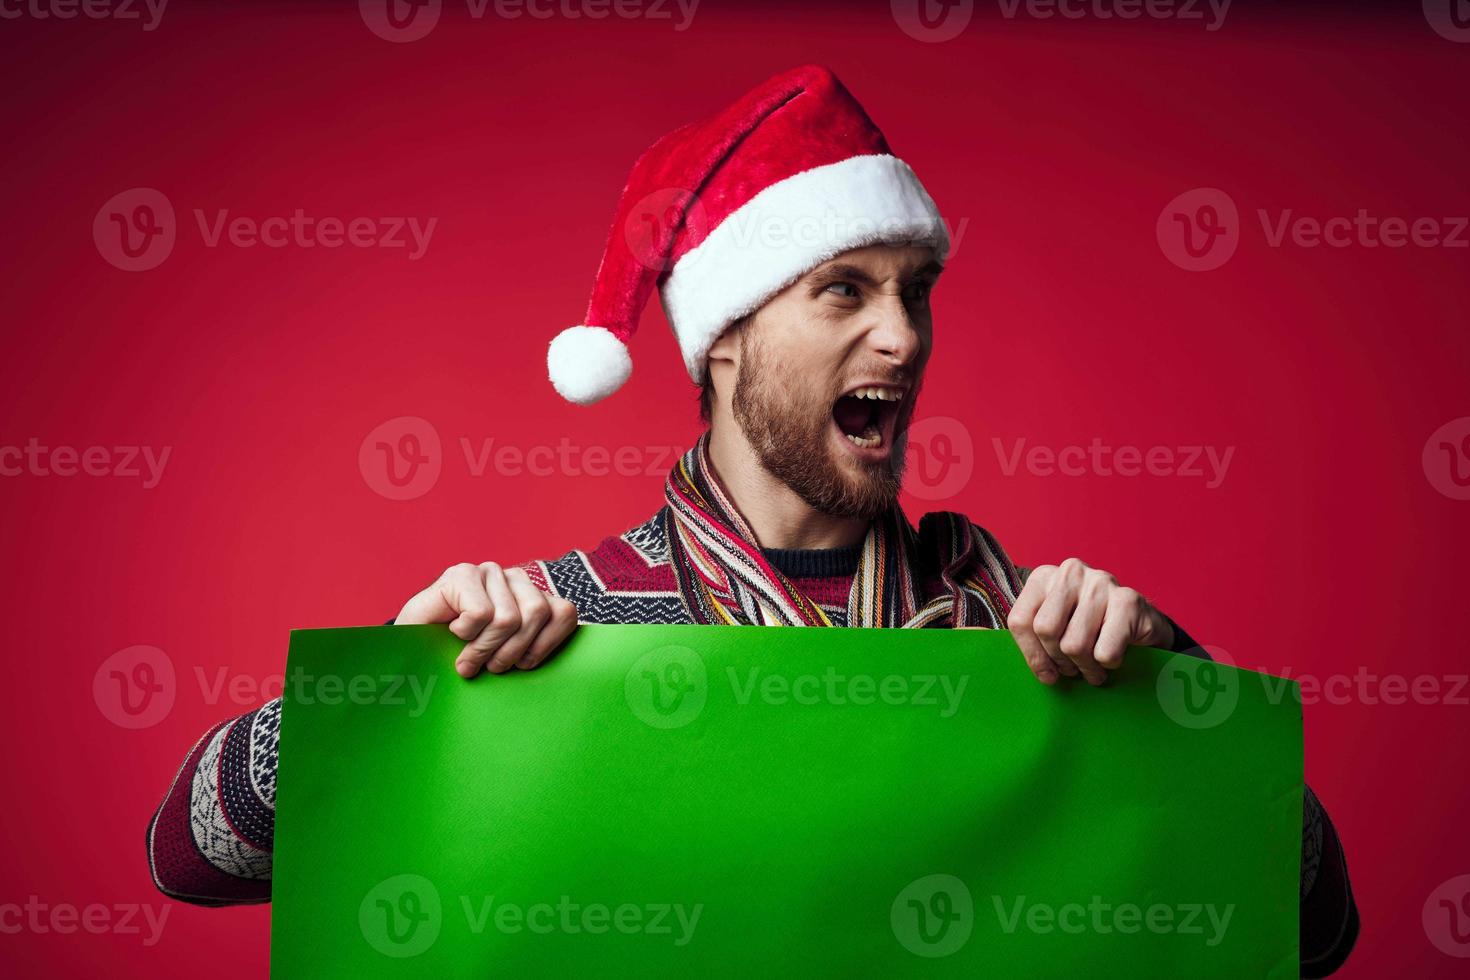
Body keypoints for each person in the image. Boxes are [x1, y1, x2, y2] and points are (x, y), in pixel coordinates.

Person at [146, 65, 1357, 975]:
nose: (903, 335)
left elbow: (1316, 928)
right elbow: (189, 853)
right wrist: (394, 700)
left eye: (914, 291)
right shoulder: (565, 625)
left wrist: (1172, 700)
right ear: (723, 337)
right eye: (845, 289)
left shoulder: (1028, 632)